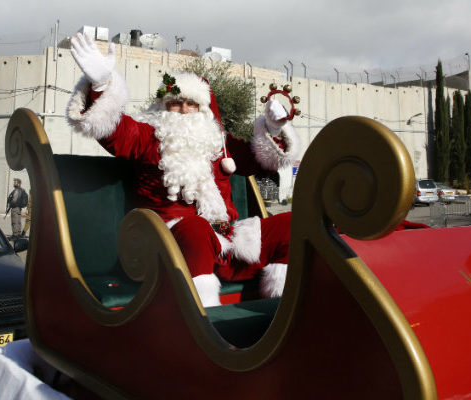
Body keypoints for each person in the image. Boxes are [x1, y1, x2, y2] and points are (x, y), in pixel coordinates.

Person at [67, 32, 299, 307]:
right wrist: (101, 84)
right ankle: (205, 323)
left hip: (227, 242)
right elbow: (114, 131)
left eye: (192, 104)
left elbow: (260, 159)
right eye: (176, 103)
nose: (184, 110)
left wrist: (274, 129)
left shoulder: (218, 144)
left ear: (204, 110)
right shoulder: (147, 136)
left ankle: (280, 311)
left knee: (292, 225)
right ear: (163, 106)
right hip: (169, 245)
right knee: (195, 228)